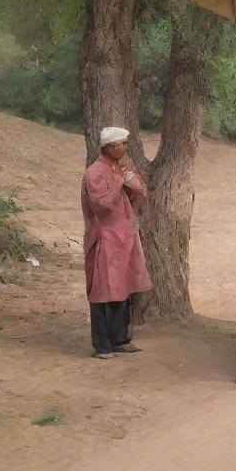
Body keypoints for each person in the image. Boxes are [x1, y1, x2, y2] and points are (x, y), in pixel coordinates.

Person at [81, 126, 152, 359]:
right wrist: (121, 183)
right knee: (103, 290)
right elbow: (102, 206)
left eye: (124, 143)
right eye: (119, 144)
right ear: (108, 147)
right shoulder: (95, 173)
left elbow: (140, 192)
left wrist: (134, 188)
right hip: (105, 238)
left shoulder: (122, 167)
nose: (123, 147)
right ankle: (101, 345)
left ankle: (120, 339)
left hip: (124, 238)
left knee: (123, 288)